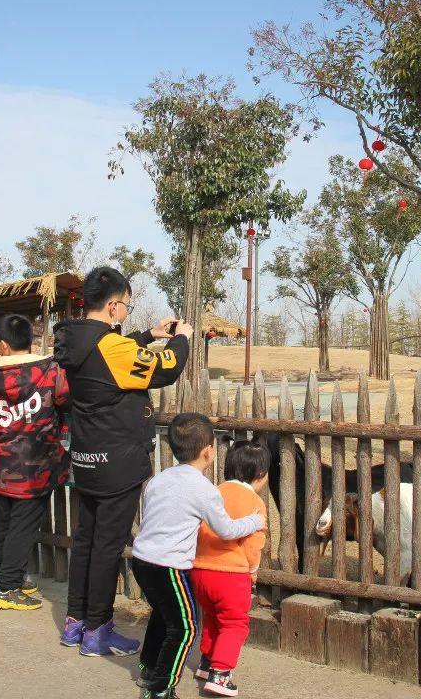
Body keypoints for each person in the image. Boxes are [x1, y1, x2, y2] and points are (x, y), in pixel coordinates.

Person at [53, 266, 192, 656]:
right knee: (107, 546)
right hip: (118, 460)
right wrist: (181, 340)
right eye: (127, 306)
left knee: (86, 540)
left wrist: (148, 335)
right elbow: (165, 370)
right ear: (113, 306)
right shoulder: (111, 347)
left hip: (86, 456)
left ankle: (75, 622)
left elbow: (107, 356)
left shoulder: (75, 340)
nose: (127, 313)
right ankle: (98, 629)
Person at [131, 413, 265, 699]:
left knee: (164, 615)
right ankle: (160, 689)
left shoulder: (160, 478)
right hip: (168, 566)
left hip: (141, 559)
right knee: (185, 627)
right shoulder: (204, 489)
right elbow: (226, 530)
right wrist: (253, 522)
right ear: (208, 451)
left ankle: (149, 668)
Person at [0, 313, 69, 611]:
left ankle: (5, 577)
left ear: (4, 345)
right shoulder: (50, 370)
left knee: (3, 524)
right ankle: (7, 589)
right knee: (23, 528)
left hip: (1, 464)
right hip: (35, 466)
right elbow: (65, 401)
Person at [190, 440, 269, 697]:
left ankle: (206, 662)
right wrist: (252, 572)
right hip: (231, 575)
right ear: (260, 476)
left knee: (212, 617)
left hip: (200, 570)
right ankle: (221, 673)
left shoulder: (214, 491)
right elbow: (252, 545)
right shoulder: (255, 503)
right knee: (234, 623)